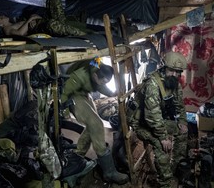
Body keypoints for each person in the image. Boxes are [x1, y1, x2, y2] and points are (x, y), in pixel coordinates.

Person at [60, 57, 129, 185]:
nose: (103, 83)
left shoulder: (98, 65)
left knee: (94, 125)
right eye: (101, 81)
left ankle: (77, 155)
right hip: (73, 95)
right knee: (95, 123)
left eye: (106, 82)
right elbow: (64, 93)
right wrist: (64, 112)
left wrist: (111, 93)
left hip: (85, 92)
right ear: (94, 75)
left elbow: (100, 85)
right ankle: (109, 172)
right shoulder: (79, 76)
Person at [133, 51, 188, 187]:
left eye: (178, 71)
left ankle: (175, 167)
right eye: (171, 70)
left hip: (157, 120)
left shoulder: (174, 82)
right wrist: (163, 137)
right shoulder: (153, 84)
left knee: (183, 131)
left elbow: (179, 105)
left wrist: (182, 121)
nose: (175, 74)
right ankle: (166, 182)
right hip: (142, 122)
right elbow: (152, 116)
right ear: (164, 67)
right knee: (160, 145)